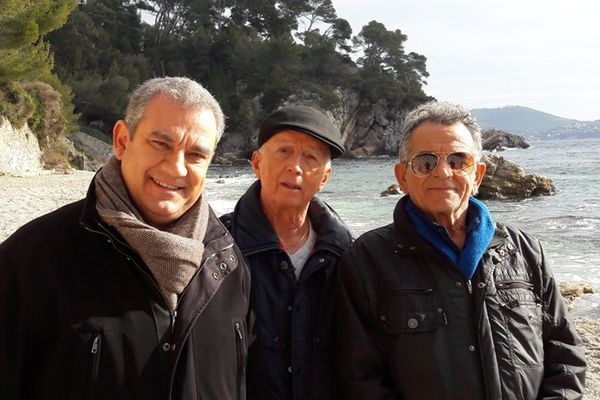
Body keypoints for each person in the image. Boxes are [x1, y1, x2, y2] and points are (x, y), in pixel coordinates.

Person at [0, 77, 250, 399]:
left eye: (196, 155)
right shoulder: (32, 260)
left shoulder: (229, 265)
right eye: (161, 144)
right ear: (121, 140)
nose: (176, 168)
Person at [334, 101, 586, 400]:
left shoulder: (525, 251)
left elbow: (565, 354)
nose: (443, 172)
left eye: (458, 160)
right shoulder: (367, 260)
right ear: (402, 176)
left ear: (478, 174)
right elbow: (358, 378)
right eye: (425, 162)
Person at [220, 105, 353, 400]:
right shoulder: (218, 247)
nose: (296, 166)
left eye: (310, 157)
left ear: (325, 177)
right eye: (284, 151)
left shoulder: (345, 255)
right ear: (256, 162)